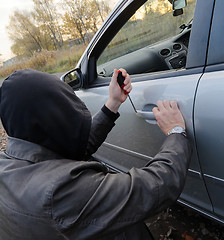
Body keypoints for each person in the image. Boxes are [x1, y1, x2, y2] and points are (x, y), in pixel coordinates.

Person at [0, 68, 191, 240]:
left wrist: (113, 104)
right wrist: (176, 131)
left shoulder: (10, 161)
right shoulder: (58, 192)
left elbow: (75, 147)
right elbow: (156, 187)